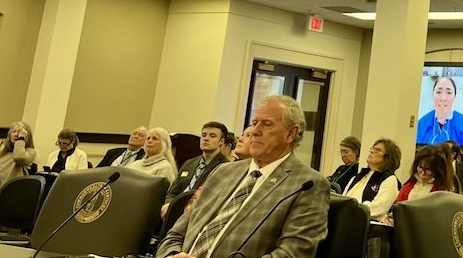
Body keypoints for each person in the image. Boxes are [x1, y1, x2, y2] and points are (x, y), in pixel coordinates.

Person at [156, 95, 330, 258]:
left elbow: (292, 254)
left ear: (291, 133)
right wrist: (171, 255)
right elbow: (176, 233)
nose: (255, 131)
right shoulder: (223, 172)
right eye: (254, 123)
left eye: (266, 124)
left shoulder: (307, 184)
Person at [165, 121, 230, 210]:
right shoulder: (189, 163)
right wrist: (168, 204)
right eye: (204, 135)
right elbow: (172, 192)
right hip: (174, 209)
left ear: (221, 142)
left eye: (212, 136)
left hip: (197, 212)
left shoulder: (225, 167)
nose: (206, 138)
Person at [384, 145, 452, 223]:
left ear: (438, 170)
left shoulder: (442, 192)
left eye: (428, 170)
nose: (422, 174)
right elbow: (397, 210)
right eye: (420, 168)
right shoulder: (408, 186)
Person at [344, 137, 402, 221]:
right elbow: (344, 198)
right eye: (372, 149)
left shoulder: (389, 180)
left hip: (365, 224)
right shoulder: (359, 176)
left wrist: (351, 208)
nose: (371, 151)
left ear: (388, 157)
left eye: (377, 150)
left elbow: (377, 210)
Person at [416, 76, 463, 146]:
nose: (443, 98)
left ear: (454, 96)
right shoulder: (422, 123)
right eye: (438, 92)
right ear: (433, 95)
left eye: (449, 92)